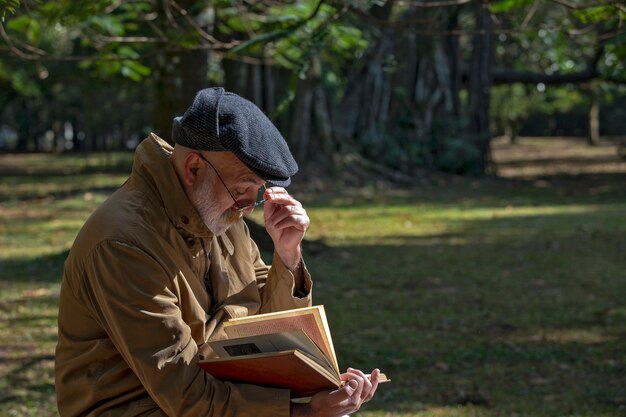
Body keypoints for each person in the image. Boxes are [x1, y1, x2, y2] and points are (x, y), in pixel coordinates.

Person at [55, 87, 381, 417]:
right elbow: (187, 395)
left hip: (218, 393)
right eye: (241, 191)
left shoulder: (219, 213)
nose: (247, 209)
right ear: (194, 168)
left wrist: (287, 257)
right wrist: (305, 413)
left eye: (255, 195)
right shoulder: (123, 245)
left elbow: (271, 329)